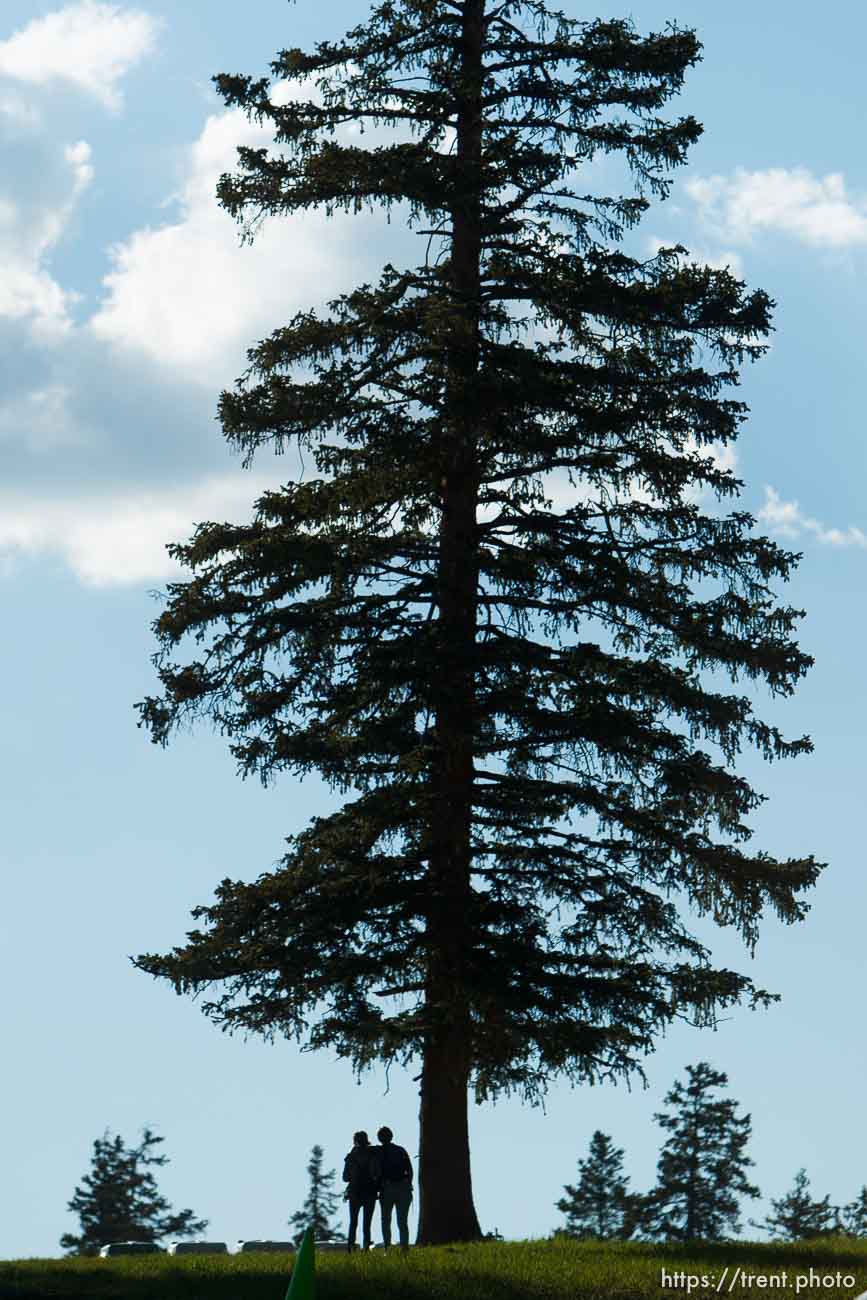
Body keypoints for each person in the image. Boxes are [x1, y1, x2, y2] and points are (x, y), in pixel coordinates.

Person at [372, 1125, 413, 1252]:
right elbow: (410, 1170)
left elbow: (376, 1171)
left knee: (386, 1220)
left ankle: (387, 1248)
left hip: (387, 1188)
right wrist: (408, 1184)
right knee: (402, 1221)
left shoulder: (377, 1152)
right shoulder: (400, 1150)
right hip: (402, 1187)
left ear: (379, 1138)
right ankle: (404, 1248)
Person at [342, 1130, 378, 1252]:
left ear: (355, 1141)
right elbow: (377, 1173)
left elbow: (345, 1177)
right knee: (367, 1224)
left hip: (355, 1192)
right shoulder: (373, 1155)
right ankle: (366, 1248)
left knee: (353, 1222)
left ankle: (350, 1248)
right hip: (370, 1192)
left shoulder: (351, 1157)